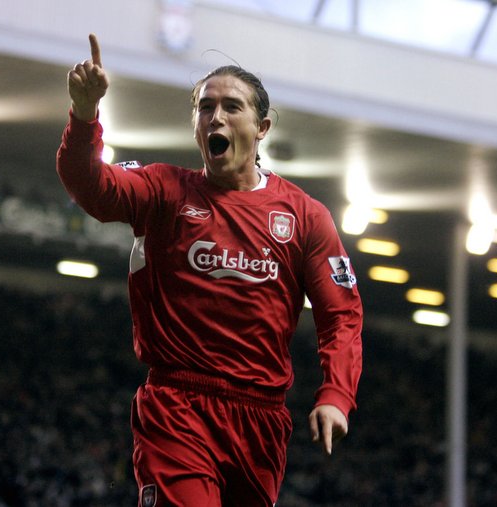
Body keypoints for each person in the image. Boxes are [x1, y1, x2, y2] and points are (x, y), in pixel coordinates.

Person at [56, 34, 363, 507]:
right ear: (196, 126)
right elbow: (91, 186)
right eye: (205, 107)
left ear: (262, 127)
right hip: (177, 406)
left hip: (261, 423)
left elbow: (340, 315)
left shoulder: (305, 217)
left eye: (231, 107)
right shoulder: (164, 191)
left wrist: (336, 394)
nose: (215, 117)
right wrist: (83, 115)